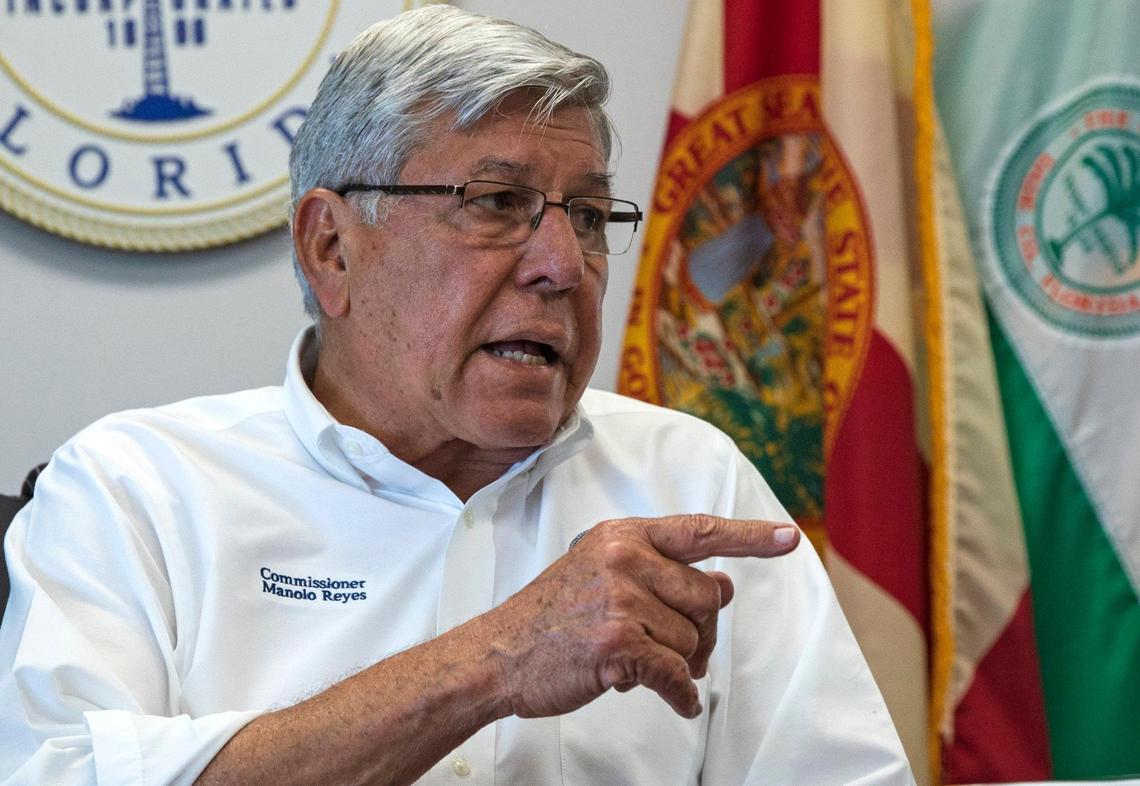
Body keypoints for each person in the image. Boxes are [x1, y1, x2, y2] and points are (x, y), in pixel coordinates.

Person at [0, 6, 913, 784]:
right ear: (332, 249)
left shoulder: (688, 479)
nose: (563, 267)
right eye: (496, 203)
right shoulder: (135, 490)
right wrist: (501, 658)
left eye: (589, 217)